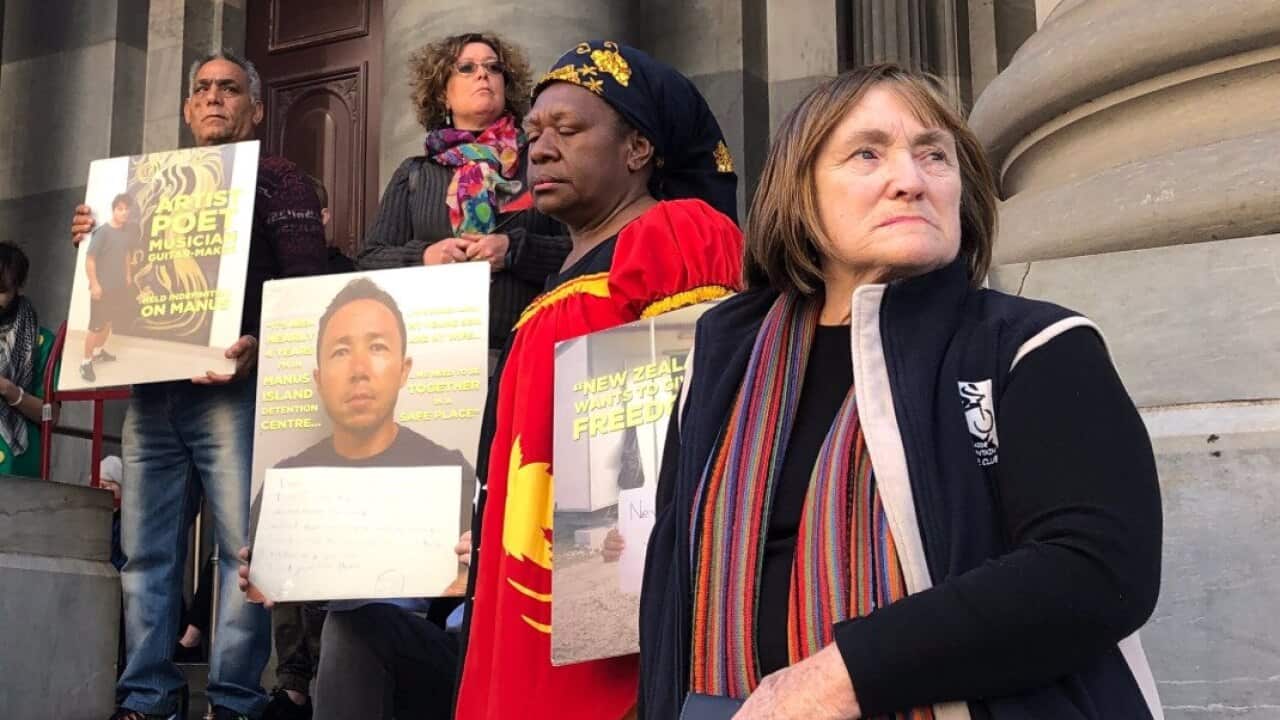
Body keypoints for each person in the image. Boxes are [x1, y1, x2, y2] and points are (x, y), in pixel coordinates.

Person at [638, 64, 1164, 720]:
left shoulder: (1033, 345)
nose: (910, 180)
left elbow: (1097, 570)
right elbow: (670, 591)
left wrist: (838, 678)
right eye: (868, 154)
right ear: (799, 193)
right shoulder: (724, 362)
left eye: (934, 155)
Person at [454, 41, 742, 720]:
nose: (541, 149)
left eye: (568, 129)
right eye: (533, 133)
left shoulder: (674, 234)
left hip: (615, 607)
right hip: (525, 586)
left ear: (638, 148)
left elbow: (703, 425)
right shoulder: (551, 284)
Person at [70, 49, 329, 720]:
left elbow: (306, 285)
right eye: (204, 89)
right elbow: (117, 281)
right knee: (144, 550)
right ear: (188, 109)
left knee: (241, 551)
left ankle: (235, 701)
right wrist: (95, 238)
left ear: (256, 109)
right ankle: (147, 698)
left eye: (230, 89)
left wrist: (260, 346)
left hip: (234, 390)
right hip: (151, 388)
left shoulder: (280, 180)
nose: (215, 97)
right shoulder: (142, 192)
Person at [241, 276, 475, 720]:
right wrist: (273, 576)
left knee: (360, 627)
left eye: (378, 347)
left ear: (404, 369)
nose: (359, 369)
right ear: (318, 377)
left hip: (436, 655)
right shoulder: (285, 485)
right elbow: (281, 596)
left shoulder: (453, 473)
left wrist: (478, 562)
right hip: (336, 661)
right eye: (341, 351)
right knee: (349, 626)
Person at [355, 31, 570, 357]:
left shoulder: (539, 161)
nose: (483, 74)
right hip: (435, 355)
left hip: (526, 351)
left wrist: (515, 250)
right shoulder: (415, 174)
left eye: (494, 67)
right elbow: (369, 261)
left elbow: (581, 250)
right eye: (467, 68)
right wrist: (425, 257)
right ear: (443, 94)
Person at [0, 242, 56, 477]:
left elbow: (52, 416)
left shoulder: (42, 342)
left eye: (1, 290)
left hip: (17, 469)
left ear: (18, 287)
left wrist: (9, 390)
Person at [80, 193, 138, 381]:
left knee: (108, 322)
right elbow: (90, 260)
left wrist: (128, 275)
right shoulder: (102, 232)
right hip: (101, 290)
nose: (124, 212)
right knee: (95, 326)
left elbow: (126, 254)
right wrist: (95, 284)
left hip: (117, 289)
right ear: (114, 210)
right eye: (120, 209)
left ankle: (98, 352)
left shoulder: (126, 233)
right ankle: (85, 363)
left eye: (127, 209)